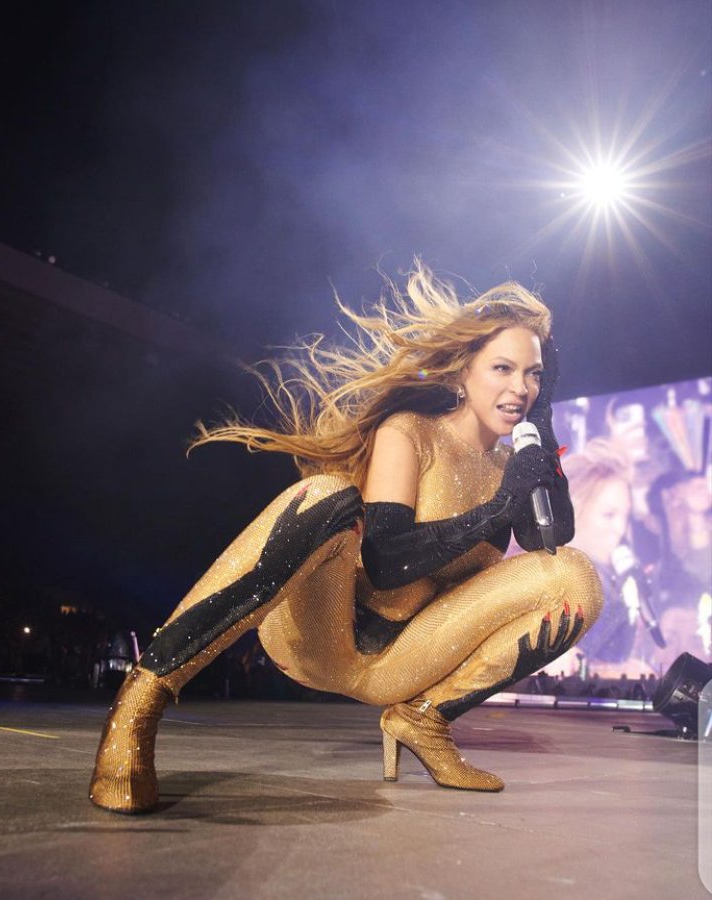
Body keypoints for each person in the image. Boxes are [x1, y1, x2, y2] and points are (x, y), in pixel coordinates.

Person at [89, 263, 603, 814]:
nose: (520, 388)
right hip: (327, 635)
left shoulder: (511, 466)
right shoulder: (410, 432)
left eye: (534, 375)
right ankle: (142, 698)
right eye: (503, 368)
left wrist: (541, 428)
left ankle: (425, 720)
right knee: (326, 495)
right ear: (462, 372)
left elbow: (553, 536)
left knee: (574, 576)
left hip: (403, 662)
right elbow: (386, 561)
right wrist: (499, 506)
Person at [560, 439, 652, 676]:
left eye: (625, 516)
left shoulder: (610, 579)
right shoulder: (543, 578)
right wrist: (612, 673)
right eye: (609, 515)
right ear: (573, 510)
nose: (619, 529)